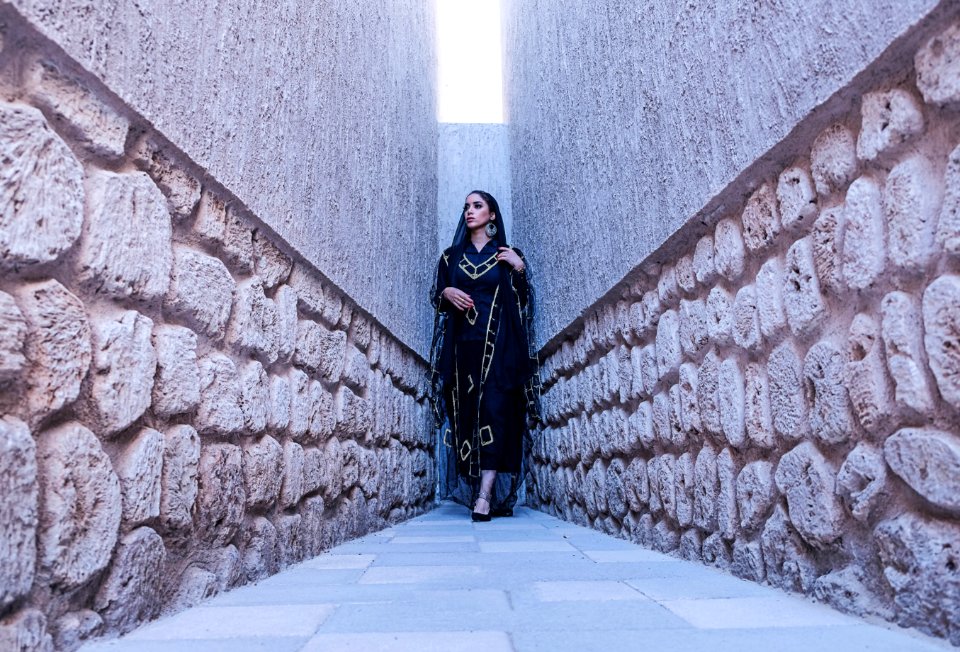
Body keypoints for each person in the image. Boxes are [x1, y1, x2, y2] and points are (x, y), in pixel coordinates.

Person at [429, 190, 540, 521]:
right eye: (466, 206)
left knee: (496, 412)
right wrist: (447, 291)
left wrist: (520, 270)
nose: (470, 211)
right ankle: (475, 485)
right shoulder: (451, 258)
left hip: (500, 347)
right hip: (463, 349)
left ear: (492, 215)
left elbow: (523, 302)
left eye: (477, 206)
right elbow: (439, 300)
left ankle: (485, 495)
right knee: (466, 417)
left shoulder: (506, 255)